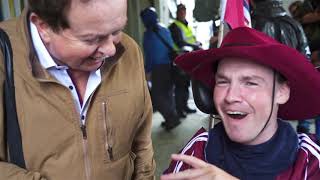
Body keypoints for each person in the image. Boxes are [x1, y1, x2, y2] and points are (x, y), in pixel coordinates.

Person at [0, 0, 155, 179]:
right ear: (44, 27)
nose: (111, 49)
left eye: (117, 31)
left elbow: (142, 142)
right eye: (92, 39)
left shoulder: (129, 51)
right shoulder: (5, 58)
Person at [162, 27, 320, 179]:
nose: (231, 96)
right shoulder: (197, 152)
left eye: (250, 83)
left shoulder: (310, 161)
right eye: (223, 82)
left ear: (282, 92)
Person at [251, 0, 312, 134]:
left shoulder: (251, 23)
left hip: (260, 84)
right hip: (290, 81)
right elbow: (305, 54)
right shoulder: (293, 23)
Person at [140, 7, 181, 130]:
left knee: (157, 97)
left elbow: (150, 55)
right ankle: (172, 117)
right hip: (169, 66)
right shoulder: (164, 29)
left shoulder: (148, 34)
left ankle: (171, 118)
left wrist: (147, 71)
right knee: (168, 93)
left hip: (158, 69)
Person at [168, 4, 201, 118]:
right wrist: (195, 46)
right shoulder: (174, 26)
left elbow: (190, 39)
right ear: (177, 13)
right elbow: (180, 43)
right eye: (180, 11)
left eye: (184, 11)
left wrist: (196, 43)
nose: (182, 13)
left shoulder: (185, 25)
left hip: (187, 59)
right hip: (179, 60)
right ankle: (179, 110)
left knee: (185, 84)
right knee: (180, 86)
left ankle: (185, 106)